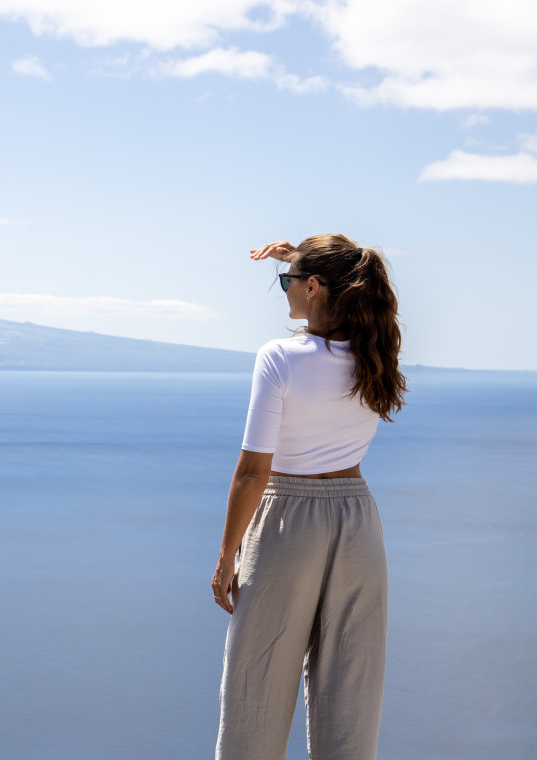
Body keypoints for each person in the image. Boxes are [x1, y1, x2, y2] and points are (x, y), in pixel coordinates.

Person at [212, 234, 407, 760]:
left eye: (289, 282)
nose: (285, 291)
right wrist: (298, 256)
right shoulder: (378, 351)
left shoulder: (279, 357)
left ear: (315, 287)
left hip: (286, 521)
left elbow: (253, 473)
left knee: (258, 680)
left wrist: (227, 556)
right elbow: (351, 267)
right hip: (358, 522)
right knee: (352, 688)